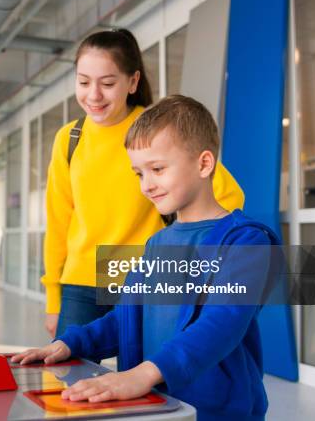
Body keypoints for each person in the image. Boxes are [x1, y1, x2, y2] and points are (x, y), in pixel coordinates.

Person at [14, 95, 279, 421]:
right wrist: (71, 343)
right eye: (139, 173)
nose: (146, 185)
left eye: (157, 169)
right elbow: (126, 316)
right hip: (159, 407)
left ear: (204, 164)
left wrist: (142, 374)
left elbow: (221, 323)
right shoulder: (157, 244)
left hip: (218, 413)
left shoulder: (247, 241)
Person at [43, 29, 244, 338]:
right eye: (83, 82)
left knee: (144, 377)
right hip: (81, 285)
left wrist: (185, 260)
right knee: (70, 375)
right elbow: (58, 222)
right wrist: (53, 299)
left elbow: (229, 196)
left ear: (132, 82)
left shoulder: (156, 128)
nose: (93, 95)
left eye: (108, 83)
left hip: (147, 279)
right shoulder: (69, 139)